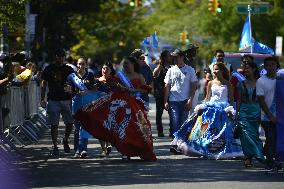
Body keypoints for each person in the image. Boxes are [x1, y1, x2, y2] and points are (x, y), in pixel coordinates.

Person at [171, 63, 243, 159]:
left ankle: (220, 149)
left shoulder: (228, 83)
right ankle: (204, 148)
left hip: (223, 109)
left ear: (222, 70)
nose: (214, 71)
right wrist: (202, 107)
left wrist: (230, 110)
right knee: (205, 129)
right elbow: (207, 98)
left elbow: (231, 99)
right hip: (211, 108)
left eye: (217, 69)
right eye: (214, 69)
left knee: (222, 130)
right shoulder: (210, 83)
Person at [40, 49, 74, 157]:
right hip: (53, 99)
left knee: (70, 123)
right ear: (55, 57)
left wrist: (72, 89)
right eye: (59, 56)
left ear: (64, 57)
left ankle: (65, 139)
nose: (61, 58)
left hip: (66, 99)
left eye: (62, 56)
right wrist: (42, 98)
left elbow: (75, 82)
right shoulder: (49, 68)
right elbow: (43, 83)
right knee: (54, 125)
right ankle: (55, 146)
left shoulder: (69, 69)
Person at [236, 62, 265, 167]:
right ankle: (249, 157)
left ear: (254, 69)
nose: (246, 70)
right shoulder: (240, 84)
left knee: (254, 134)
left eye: (248, 68)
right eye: (245, 69)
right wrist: (237, 112)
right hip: (244, 111)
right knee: (245, 135)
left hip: (256, 111)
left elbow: (263, 99)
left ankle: (255, 154)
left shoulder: (260, 83)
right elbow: (238, 100)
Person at [164, 49, 197, 138]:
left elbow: (194, 86)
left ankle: (180, 143)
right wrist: (165, 101)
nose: (174, 59)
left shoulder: (190, 70)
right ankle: (175, 143)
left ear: (182, 57)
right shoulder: (170, 70)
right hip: (173, 101)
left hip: (185, 101)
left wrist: (190, 100)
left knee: (183, 124)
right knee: (175, 123)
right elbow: (167, 86)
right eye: (173, 57)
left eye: (176, 57)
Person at [256, 56, 281, 171]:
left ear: (277, 66)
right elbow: (261, 100)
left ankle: (275, 160)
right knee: (271, 139)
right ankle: (270, 163)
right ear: (265, 67)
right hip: (266, 117)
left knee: (278, 139)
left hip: (281, 116)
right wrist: (270, 116)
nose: (271, 67)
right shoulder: (261, 81)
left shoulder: (281, 79)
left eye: (273, 65)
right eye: (268, 65)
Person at [73, 57, 94, 159]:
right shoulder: (73, 76)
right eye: (79, 64)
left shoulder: (90, 75)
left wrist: (87, 92)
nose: (81, 66)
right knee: (77, 129)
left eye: (83, 64)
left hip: (87, 104)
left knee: (84, 127)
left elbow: (94, 89)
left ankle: (83, 149)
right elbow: (69, 89)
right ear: (77, 64)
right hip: (76, 104)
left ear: (86, 65)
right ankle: (77, 150)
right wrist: (75, 92)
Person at [96, 62, 116, 157]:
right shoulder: (97, 81)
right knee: (100, 128)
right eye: (103, 68)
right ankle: (103, 149)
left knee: (109, 127)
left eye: (107, 68)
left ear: (111, 70)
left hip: (111, 107)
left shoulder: (115, 81)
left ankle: (109, 144)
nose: (105, 70)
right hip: (99, 107)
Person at [153, 50, 172, 137]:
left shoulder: (172, 67)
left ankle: (172, 130)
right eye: (168, 56)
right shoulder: (160, 67)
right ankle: (160, 131)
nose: (170, 57)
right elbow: (155, 74)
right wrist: (160, 65)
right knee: (159, 113)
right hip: (160, 94)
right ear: (164, 58)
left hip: (170, 94)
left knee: (172, 113)